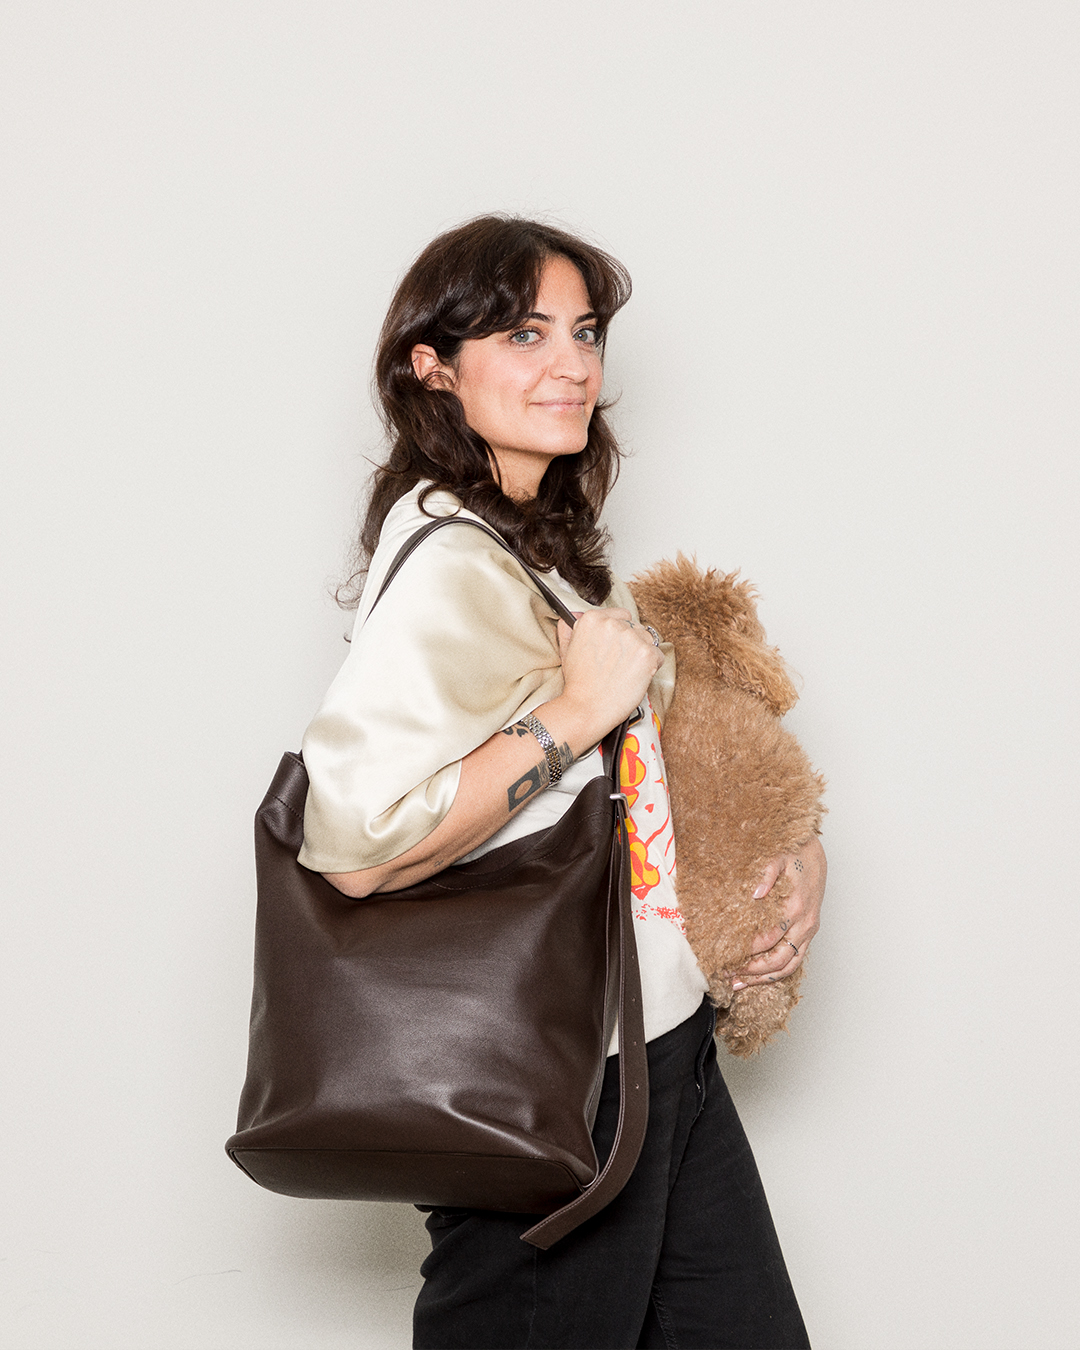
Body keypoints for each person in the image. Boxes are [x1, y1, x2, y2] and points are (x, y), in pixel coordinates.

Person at [297, 215, 826, 1350]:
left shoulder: (538, 546)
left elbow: (645, 767)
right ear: (432, 368)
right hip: (552, 1078)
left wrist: (793, 855)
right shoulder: (448, 560)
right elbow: (355, 846)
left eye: (584, 332)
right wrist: (576, 711)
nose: (572, 363)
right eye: (524, 333)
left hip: (659, 1046)